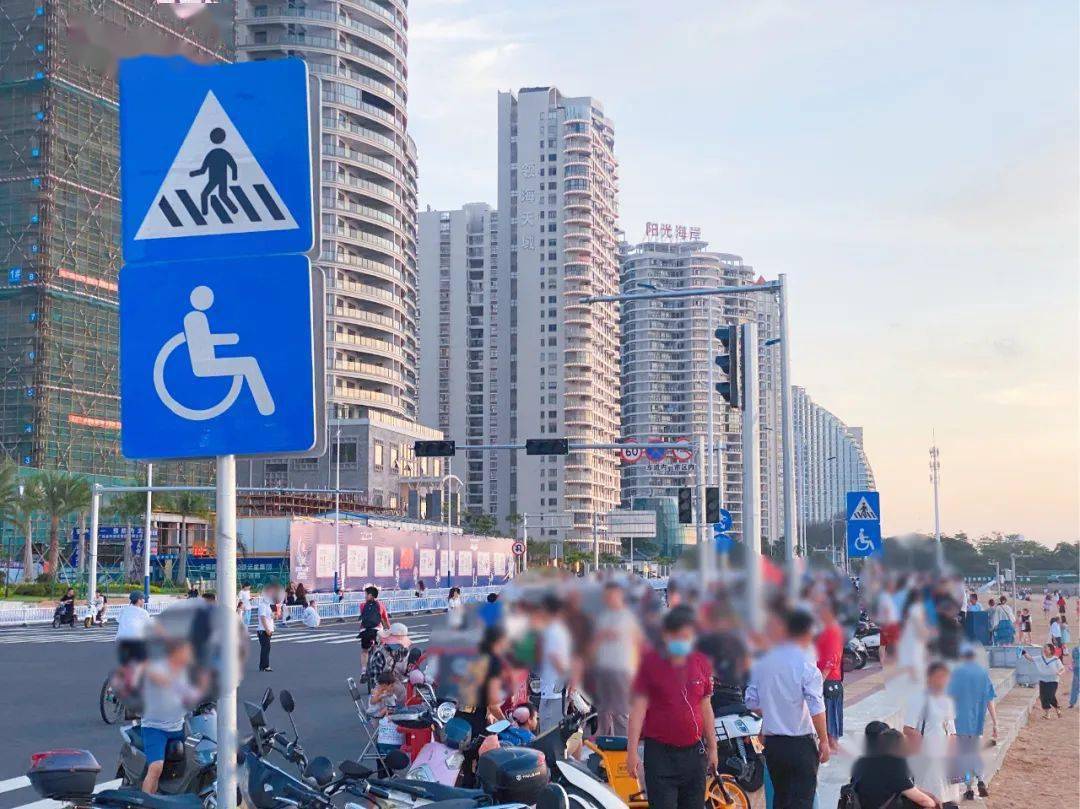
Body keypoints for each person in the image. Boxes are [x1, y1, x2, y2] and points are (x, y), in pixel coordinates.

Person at [627, 606, 717, 809]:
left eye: (688, 637)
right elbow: (638, 710)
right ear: (666, 636)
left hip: (694, 756)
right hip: (661, 758)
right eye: (679, 637)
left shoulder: (700, 662)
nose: (683, 642)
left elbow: (706, 707)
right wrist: (631, 752)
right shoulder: (649, 664)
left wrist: (713, 748)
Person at [744, 608, 829, 809]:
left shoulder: (762, 664)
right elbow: (816, 706)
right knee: (802, 801)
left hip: (774, 746)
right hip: (800, 745)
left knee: (781, 798)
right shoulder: (806, 666)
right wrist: (824, 741)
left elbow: (751, 702)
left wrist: (774, 712)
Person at [140, 639, 207, 793]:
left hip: (180, 727)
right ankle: (146, 802)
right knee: (156, 768)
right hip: (155, 729)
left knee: (201, 761)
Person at [903, 661, 959, 806]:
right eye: (940, 676)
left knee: (949, 799)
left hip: (945, 760)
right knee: (932, 798)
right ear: (929, 678)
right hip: (928, 761)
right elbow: (908, 729)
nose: (944, 680)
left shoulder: (947, 701)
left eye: (946, 677)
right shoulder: (918, 699)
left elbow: (952, 731)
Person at [591, 580, 643, 736]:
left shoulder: (626, 617)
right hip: (604, 669)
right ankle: (605, 747)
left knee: (620, 712)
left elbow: (634, 641)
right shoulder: (603, 617)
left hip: (621, 670)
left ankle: (624, 748)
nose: (608, 599)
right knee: (604, 711)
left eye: (611, 596)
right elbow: (596, 640)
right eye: (606, 596)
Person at [948, 645, 998, 800]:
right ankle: (980, 779)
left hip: (959, 722)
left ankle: (969, 788)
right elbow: (990, 700)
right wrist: (996, 722)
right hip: (977, 724)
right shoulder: (983, 676)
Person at [849, 724, 938, 809]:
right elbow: (924, 801)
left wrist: (928, 794)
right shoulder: (894, 767)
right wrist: (933, 803)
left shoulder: (862, 761)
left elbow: (904, 787)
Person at [534, 594, 574, 734]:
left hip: (553, 691)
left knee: (549, 732)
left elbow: (555, 657)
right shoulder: (558, 630)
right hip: (554, 689)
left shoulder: (553, 631)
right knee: (553, 729)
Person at [814, 600, 845, 753]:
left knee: (830, 713)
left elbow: (832, 657)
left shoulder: (833, 630)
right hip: (825, 677)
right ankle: (831, 743)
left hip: (829, 679)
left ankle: (832, 744)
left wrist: (821, 679)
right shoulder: (826, 630)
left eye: (824, 610)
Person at [1023, 644, 1065, 718]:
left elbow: (1062, 668)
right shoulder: (1041, 658)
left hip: (1053, 681)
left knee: (1050, 695)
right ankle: (1047, 714)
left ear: (1051, 650)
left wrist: (1059, 673)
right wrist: (1023, 652)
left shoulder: (1056, 659)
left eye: (1046, 648)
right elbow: (1030, 658)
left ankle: (1057, 709)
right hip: (1043, 680)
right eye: (1044, 648)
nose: (1044, 650)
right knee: (1043, 697)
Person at [358, 585, 390, 673]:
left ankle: (363, 671)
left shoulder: (362, 605)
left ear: (370, 595)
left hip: (365, 630)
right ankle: (377, 666)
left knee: (364, 651)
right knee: (380, 648)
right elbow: (385, 620)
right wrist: (389, 630)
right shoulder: (381, 605)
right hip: (377, 630)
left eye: (366, 594)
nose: (365, 596)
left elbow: (363, 618)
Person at [876, 579, 901, 666]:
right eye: (892, 586)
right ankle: (885, 660)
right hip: (888, 623)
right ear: (888, 586)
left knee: (891, 642)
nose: (894, 588)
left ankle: (894, 659)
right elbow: (886, 610)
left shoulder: (888, 596)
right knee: (884, 643)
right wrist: (887, 624)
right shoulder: (885, 597)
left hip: (891, 623)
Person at [256, 585, 276, 672]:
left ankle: (262, 666)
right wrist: (267, 629)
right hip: (263, 630)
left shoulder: (268, 606)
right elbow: (262, 618)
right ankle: (265, 666)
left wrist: (274, 616)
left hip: (267, 629)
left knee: (266, 648)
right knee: (266, 648)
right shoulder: (262, 605)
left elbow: (270, 617)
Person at [1068, 644, 1079, 709]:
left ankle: (1072, 703)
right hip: (1077, 669)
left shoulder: (1075, 649)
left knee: (1075, 686)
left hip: (1077, 668)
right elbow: (1074, 660)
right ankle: (1072, 703)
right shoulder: (1075, 649)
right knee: (1075, 686)